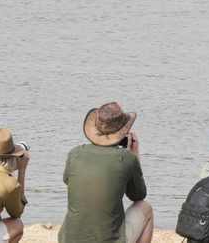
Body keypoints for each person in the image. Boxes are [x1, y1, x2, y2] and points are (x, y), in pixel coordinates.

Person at [58, 102, 154, 243]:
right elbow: (138, 195)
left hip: (68, 239)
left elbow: (68, 181)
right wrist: (135, 153)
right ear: (123, 133)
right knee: (146, 208)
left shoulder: (75, 153)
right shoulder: (126, 158)